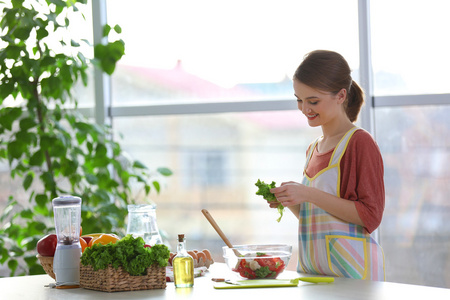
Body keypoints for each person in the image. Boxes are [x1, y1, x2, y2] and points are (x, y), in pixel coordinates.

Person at [269, 50, 385, 281]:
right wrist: (291, 200)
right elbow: (317, 217)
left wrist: (308, 193)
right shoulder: (313, 148)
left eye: (313, 101)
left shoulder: (359, 142)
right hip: (314, 273)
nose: (304, 109)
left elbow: (370, 216)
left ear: (341, 96)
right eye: (299, 100)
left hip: (352, 276)